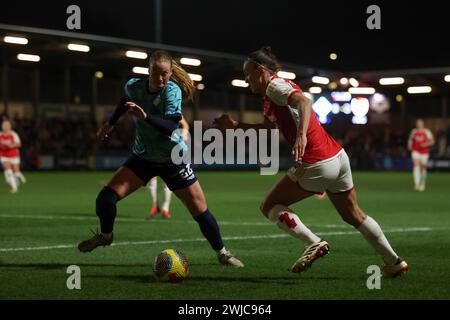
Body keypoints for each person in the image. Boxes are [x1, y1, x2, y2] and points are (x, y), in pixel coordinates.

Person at [213, 46, 407, 277]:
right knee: (353, 214)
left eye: (248, 74)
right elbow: (268, 128)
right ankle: (393, 261)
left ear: (261, 70)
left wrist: (302, 135)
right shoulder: (271, 95)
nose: (246, 80)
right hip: (337, 157)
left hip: (316, 159)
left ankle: (312, 242)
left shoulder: (275, 85)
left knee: (269, 206)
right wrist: (236, 126)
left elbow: (304, 102)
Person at [78, 50, 243, 268]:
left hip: (173, 159)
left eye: (165, 74)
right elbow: (126, 101)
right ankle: (106, 236)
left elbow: (171, 126)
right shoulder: (134, 86)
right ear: (149, 71)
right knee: (105, 199)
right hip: (143, 157)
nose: (161, 78)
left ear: (171, 72)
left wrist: (145, 116)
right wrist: (111, 123)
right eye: (156, 74)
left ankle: (222, 253)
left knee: (200, 211)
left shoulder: (171, 91)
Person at [146, 117, 190, 219]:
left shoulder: (172, 110)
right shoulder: (154, 111)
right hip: (154, 148)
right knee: (152, 179)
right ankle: (154, 206)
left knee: (167, 180)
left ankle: (165, 208)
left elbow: (185, 124)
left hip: (169, 149)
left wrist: (184, 133)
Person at [407, 119, 434, 192]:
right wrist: (409, 145)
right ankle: (416, 184)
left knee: (423, 168)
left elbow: (432, 141)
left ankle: (422, 182)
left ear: (423, 124)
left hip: (424, 152)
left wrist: (426, 144)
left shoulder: (427, 131)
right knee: (416, 165)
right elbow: (410, 139)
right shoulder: (414, 131)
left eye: (420, 123)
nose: (419, 124)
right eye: (418, 123)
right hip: (416, 151)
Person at [0, 120, 26, 193]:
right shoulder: (0, 135)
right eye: (3, 125)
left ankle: (18, 176)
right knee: (9, 171)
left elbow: (19, 144)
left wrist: (11, 145)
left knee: (16, 172)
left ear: (10, 126)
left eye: (7, 125)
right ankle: (14, 188)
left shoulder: (14, 134)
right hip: (4, 156)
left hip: (14, 155)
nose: (5, 127)